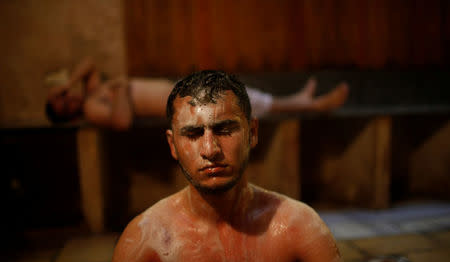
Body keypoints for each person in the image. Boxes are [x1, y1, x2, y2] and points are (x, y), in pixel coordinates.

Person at [106, 70, 361, 262]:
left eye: (224, 130)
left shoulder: (296, 225)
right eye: (193, 134)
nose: (210, 149)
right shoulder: (145, 238)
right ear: (173, 145)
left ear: (252, 133)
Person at [46, 58, 349, 130]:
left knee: (241, 95)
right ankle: (311, 105)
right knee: (239, 103)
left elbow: (88, 64)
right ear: (67, 114)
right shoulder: (92, 109)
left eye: (62, 96)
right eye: (62, 104)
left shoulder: (90, 90)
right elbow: (122, 121)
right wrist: (122, 88)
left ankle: (303, 101)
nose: (67, 99)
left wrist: (67, 83)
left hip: (182, 90)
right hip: (184, 106)